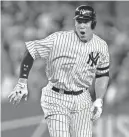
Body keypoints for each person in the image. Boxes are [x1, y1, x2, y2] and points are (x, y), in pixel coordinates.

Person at [8, 5, 110, 137]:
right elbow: (31, 51)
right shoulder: (59, 39)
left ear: (93, 23)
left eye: (86, 21)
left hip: (82, 97)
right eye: (79, 21)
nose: (82, 25)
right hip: (56, 97)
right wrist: (22, 82)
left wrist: (99, 100)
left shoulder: (101, 46)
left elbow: (102, 73)